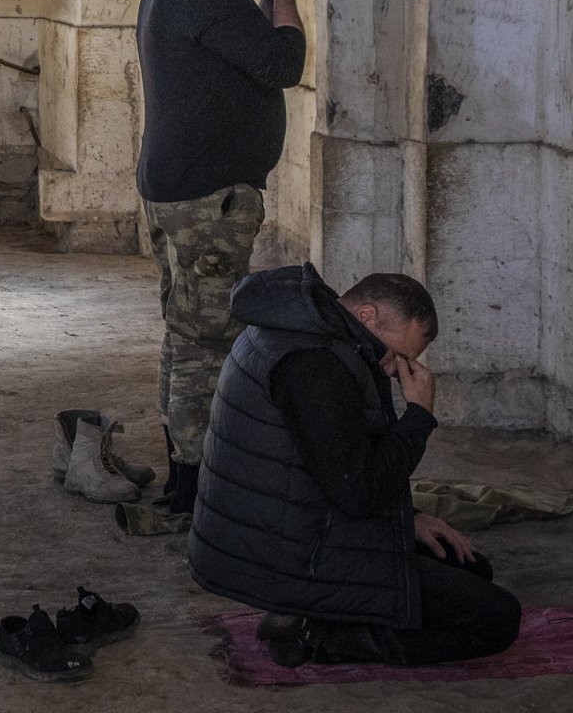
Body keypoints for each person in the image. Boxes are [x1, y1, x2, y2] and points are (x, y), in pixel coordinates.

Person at [188, 265, 522, 667]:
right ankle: (320, 637)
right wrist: (418, 416)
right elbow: (357, 492)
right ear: (366, 316)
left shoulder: (304, 330)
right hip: (288, 557)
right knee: (498, 620)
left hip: (289, 528)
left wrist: (409, 519)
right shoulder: (314, 364)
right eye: (398, 354)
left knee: (470, 568)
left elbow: (333, 465)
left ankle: (313, 613)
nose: (394, 367)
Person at [130, 0, 331, 527]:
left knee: (185, 331)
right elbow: (280, 62)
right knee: (206, 342)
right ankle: (192, 495)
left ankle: (183, 484)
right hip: (204, 198)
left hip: (179, 188)